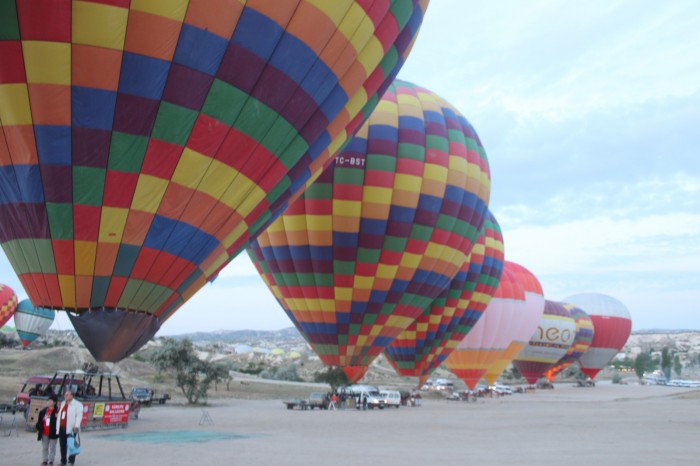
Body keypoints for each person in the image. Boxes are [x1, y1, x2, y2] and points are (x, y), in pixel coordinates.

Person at [56, 390, 83, 466]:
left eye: (67, 395)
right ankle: (63, 461)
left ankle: (71, 461)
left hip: (71, 428)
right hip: (62, 427)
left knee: (71, 444)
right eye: (65, 395)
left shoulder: (77, 404)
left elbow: (79, 416)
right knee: (62, 444)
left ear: (72, 396)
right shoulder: (63, 403)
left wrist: (76, 426)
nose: (65, 396)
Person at [36, 394, 59, 466]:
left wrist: (57, 417)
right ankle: (44, 460)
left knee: (52, 447)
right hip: (44, 432)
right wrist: (38, 429)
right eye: (48, 401)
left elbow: (60, 422)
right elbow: (39, 421)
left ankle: (51, 461)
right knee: (45, 447)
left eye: (51, 401)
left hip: (53, 432)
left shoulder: (57, 411)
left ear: (54, 402)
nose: (48, 402)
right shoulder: (43, 411)